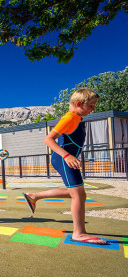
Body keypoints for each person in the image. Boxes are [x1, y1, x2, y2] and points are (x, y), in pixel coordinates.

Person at [22, 88, 106, 245]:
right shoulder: (69, 118)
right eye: (91, 106)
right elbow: (48, 139)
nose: (94, 109)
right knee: (79, 195)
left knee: (75, 193)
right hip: (63, 159)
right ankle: (79, 233)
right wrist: (67, 156)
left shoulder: (76, 117)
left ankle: (34, 196)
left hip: (65, 159)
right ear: (79, 103)